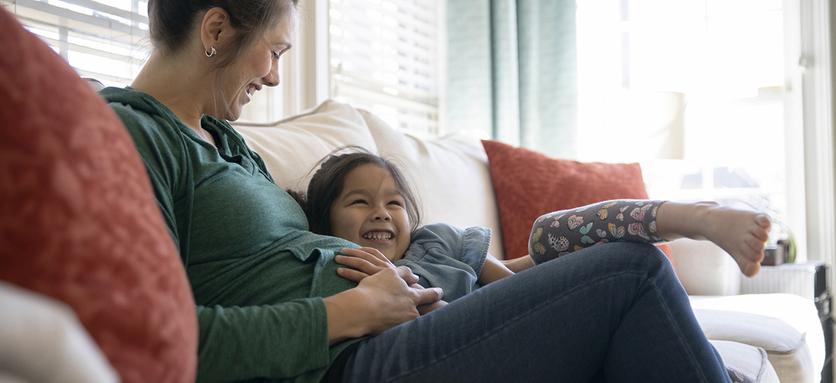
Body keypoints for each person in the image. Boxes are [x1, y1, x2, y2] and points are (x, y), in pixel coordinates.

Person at [99, 0, 771, 381]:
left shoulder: (225, 141)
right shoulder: (132, 134)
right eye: (274, 50)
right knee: (630, 272)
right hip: (350, 362)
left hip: (406, 325)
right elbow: (153, 340)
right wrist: (352, 312)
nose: (274, 76)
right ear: (216, 30)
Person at [291, 149, 771, 313]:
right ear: (326, 219)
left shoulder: (434, 240)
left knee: (549, 234)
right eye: (360, 202)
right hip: (483, 329)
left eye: (394, 203)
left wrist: (561, 282)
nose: (381, 214)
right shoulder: (345, 273)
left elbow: (515, 285)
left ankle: (695, 218)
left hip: (517, 289)